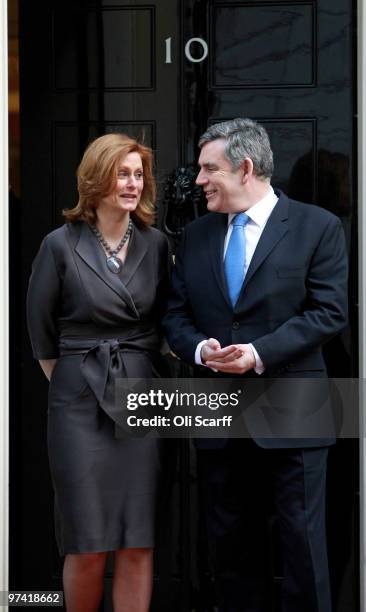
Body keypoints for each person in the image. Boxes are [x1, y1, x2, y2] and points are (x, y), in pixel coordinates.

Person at [163, 118, 348, 612]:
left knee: (303, 548)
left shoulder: (318, 227)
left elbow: (328, 312)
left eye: (209, 168)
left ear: (245, 168)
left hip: (296, 412)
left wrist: (258, 353)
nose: (198, 180)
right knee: (231, 551)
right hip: (220, 416)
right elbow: (175, 315)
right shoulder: (197, 235)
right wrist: (201, 350)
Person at [27, 133, 169, 612]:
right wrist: (77, 385)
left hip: (142, 398)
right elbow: (42, 337)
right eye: (121, 173)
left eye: (137, 174)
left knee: (137, 538)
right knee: (86, 541)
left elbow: (168, 323)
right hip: (78, 403)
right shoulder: (59, 245)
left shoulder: (156, 243)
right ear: (96, 178)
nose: (132, 183)